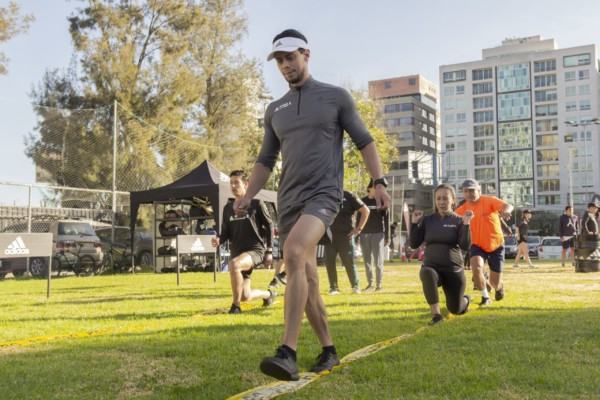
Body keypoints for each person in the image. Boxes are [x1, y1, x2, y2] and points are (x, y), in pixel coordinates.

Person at [236, 29, 390, 381]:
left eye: (290, 57)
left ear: (306, 54)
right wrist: (248, 195)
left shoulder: (335, 97)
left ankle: (287, 352)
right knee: (305, 275)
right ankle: (328, 350)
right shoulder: (275, 110)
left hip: (324, 194)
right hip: (289, 200)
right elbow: (265, 160)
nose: (285, 65)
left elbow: (365, 141)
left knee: (293, 252)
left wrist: (379, 181)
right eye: (279, 60)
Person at [211, 170, 276, 314]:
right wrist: (219, 240)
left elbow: (270, 225)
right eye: (231, 183)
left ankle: (235, 307)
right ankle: (268, 295)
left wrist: (269, 250)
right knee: (245, 296)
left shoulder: (256, 204)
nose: (233, 186)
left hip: (255, 250)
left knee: (234, 265)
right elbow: (226, 232)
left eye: (236, 182)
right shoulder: (228, 208)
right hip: (238, 252)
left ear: (246, 184)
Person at [410, 184, 473, 324]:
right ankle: (436, 315)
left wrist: (466, 224)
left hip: (453, 270)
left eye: (445, 198)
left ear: (453, 200)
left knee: (456, 309)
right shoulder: (428, 220)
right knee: (426, 272)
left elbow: (465, 246)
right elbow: (414, 244)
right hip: (432, 267)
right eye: (438, 198)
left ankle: (466, 300)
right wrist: (414, 223)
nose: (441, 202)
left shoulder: (459, 220)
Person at [455, 178, 513, 306]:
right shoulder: (462, 209)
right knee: (476, 268)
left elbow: (508, 206)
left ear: (479, 190)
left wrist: (506, 211)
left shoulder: (489, 200)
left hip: (496, 245)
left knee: (494, 283)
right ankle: (485, 298)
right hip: (477, 245)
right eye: (466, 191)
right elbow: (450, 220)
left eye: (472, 190)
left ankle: (499, 287)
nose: (469, 193)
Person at [324, 190, 370, 295]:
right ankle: (333, 288)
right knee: (329, 262)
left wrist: (358, 229)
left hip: (346, 236)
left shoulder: (349, 196)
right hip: (329, 235)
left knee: (349, 262)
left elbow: (366, 211)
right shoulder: (326, 193)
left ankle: (355, 286)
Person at [360, 179, 390, 291]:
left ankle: (379, 285)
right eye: (376, 188)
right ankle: (370, 284)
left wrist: (387, 237)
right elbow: (358, 218)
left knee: (378, 261)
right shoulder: (361, 201)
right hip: (364, 234)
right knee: (367, 261)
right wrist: (358, 234)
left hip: (378, 234)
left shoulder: (382, 201)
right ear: (369, 188)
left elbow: (387, 220)